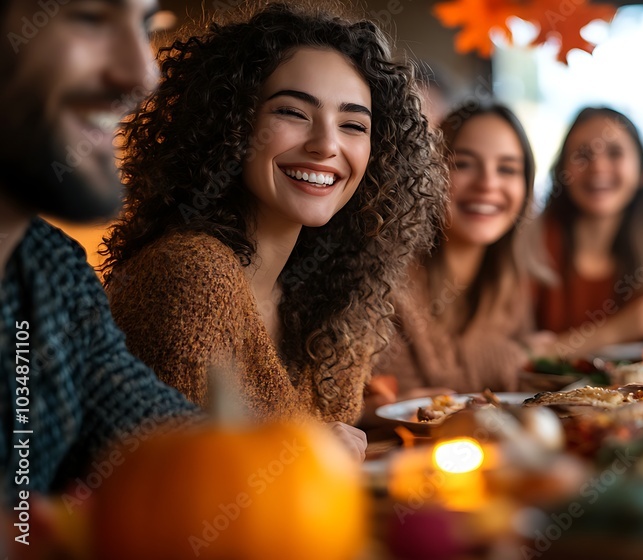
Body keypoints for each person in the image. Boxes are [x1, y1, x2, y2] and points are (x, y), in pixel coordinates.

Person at [101, 3, 447, 457]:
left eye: (352, 124)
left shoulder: (331, 299)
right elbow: (166, 480)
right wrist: (299, 451)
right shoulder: (194, 275)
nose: (326, 144)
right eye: (293, 112)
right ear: (232, 123)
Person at [0, 0, 199, 506]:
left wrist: (287, 455)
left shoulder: (52, 272)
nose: (143, 75)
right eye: (88, 15)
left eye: (145, 24)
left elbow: (162, 441)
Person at [372, 105, 552, 398]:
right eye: (464, 164)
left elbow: (524, 389)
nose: (488, 184)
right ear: (431, 173)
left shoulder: (511, 279)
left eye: (507, 169)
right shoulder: (388, 277)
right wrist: (523, 352)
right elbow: (414, 398)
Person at [534, 107, 643, 358]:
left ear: (640, 172)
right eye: (582, 155)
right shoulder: (532, 247)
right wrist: (621, 328)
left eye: (615, 153)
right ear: (562, 172)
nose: (597, 166)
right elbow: (519, 354)